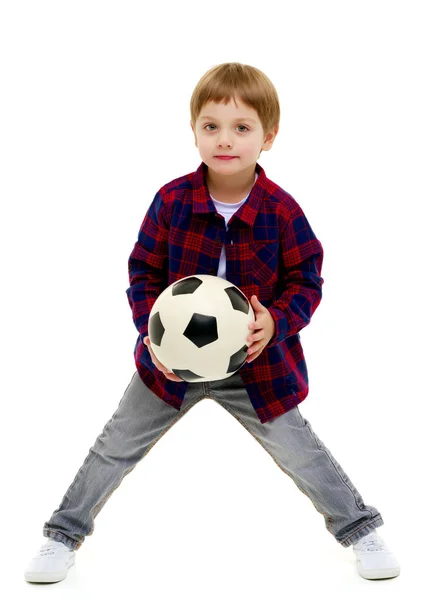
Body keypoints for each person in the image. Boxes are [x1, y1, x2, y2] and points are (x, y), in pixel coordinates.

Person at [24, 62, 400, 584]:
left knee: (301, 450)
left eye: (242, 128)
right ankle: (61, 535)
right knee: (114, 445)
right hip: (169, 366)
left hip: (254, 365)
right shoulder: (173, 200)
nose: (225, 140)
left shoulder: (283, 211)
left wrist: (278, 323)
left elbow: (306, 281)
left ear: (268, 137)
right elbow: (142, 272)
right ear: (194, 131)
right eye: (211, 126)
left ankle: (361, 529)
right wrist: (151, 335)